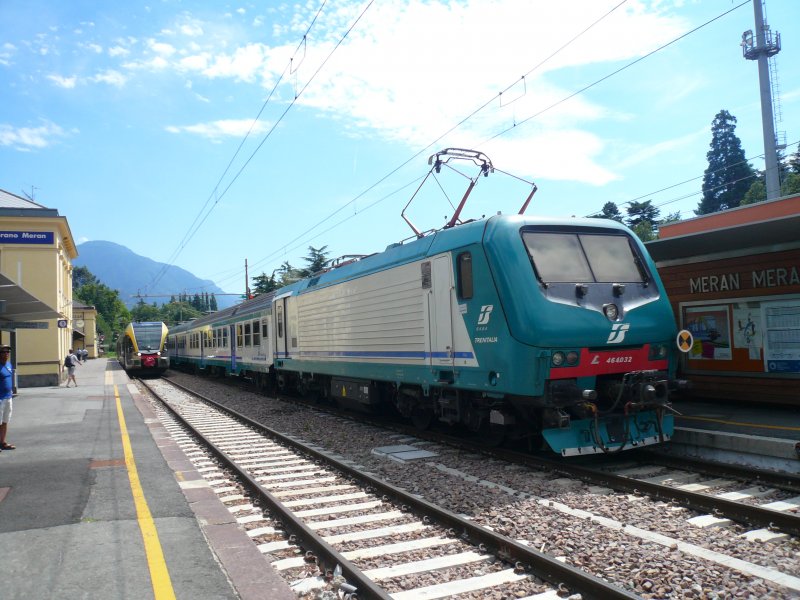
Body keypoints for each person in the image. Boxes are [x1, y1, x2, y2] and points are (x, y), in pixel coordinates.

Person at [0, 345, 15, 451]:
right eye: (4, 352)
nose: (6, 354)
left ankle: (2, 442)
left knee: (5, 421)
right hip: (0, 398)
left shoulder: (9, 364)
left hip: (8, 397)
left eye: (8, 352)